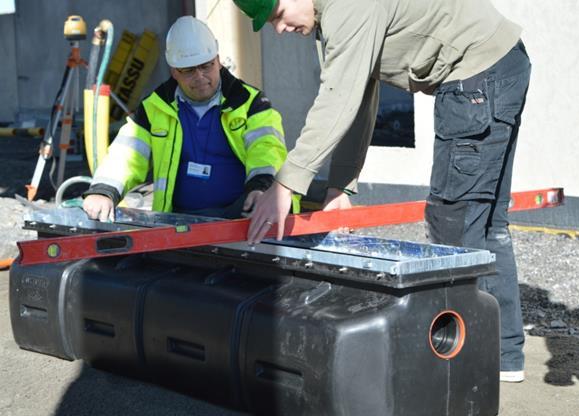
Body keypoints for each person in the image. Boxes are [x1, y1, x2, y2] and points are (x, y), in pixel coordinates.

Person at [233, 0, 531, 383]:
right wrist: (340, 185)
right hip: (498, 66)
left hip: (476, 77)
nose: (279, 29)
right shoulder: (333, 18)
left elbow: (338, 100)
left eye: (277, 15)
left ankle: (460, 369)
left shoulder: (346, 8)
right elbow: (357, 97)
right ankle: (504, 356)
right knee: (488, 225)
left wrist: (286, 183)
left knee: (453, 225)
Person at [83, 16, 295, 222]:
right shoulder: (154, 107)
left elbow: (267, 150)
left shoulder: (250, 103)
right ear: (174, 71)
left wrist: (262, 188)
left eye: (206, 66)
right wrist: (103, 190)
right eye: (189, 70)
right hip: (177, 222)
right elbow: (127, 153)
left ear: (218, 61)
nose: (200, 77)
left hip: (238, 222)